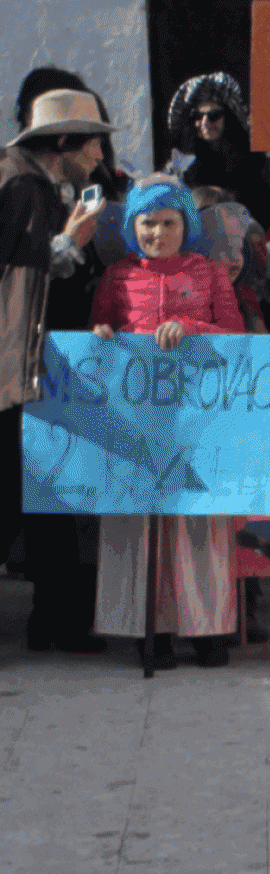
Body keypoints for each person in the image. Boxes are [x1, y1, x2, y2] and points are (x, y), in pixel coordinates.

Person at [89, 178, 246, 669]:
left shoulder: (210, 272)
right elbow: (100, 330)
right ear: (133, 226)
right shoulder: (116, 276)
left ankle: (207, 629)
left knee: (198, 517)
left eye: (168, 223)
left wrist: (190, 327)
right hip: (134, 419)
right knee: (138, 521)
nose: (157, 233)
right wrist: (102, 333)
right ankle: (149, 629)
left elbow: (235, 335)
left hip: (198, 417)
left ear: (186, 224)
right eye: (148, 223)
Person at [3, 86, 116, 652]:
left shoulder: (32, 183)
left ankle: (56, 623)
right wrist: (69, 242)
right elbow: (18, 277)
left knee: (44, 496)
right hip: (10, 373)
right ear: (66, 139)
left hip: (30, 369)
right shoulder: (23, 187)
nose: (99, 156)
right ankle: (57, 622)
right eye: (93, 143)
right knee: (12, 498)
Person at [163, 72, 270, 229]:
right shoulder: (180, 166)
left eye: (214, 115)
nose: (205, 122)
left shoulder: (256, 163)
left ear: (229, 118)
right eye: (198, 116)